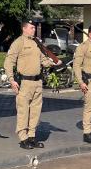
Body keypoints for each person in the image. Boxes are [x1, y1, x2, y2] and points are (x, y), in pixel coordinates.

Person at [4, 20, 57, 149]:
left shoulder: (37, 42)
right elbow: (9, 61)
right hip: (25, 82)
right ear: (24, 28)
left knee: (35, 111)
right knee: (23, 111)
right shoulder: (18, 42)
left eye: (34, 28)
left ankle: (32, 137)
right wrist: (11, 79)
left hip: (37, 82)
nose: (34, 30)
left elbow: (43, 60)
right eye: (32, 27)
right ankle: (23, 138)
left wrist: (53, 62)